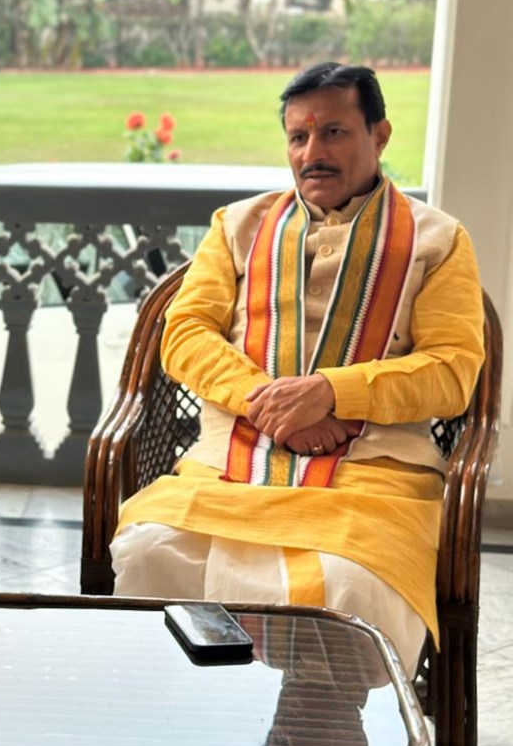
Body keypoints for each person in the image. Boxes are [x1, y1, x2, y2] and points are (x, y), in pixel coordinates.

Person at [110, 62, 486, 676]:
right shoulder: (237, 226)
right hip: (229, 468)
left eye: (334, 132)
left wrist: (331, 393)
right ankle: (185, 739)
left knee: (350, 585)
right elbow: (182, 334)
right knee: (152, 553)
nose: (313, 152)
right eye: (298, 137)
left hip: (372, 478)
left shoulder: (437, 240)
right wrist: (272, 404)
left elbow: (451, 371)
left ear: (380, 134)